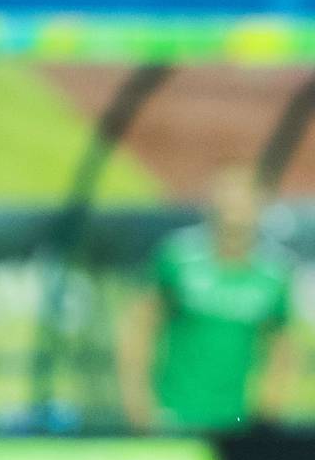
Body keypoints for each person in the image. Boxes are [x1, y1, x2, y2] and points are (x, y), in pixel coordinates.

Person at [117, 165, 298, 432]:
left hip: (238, 423)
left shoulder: (274, 274)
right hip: (173, 416)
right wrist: (137, 399)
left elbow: (282, 344)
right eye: (227, 193)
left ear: (261, 203)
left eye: (244, 196)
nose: (235, 205)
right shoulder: (178, 258)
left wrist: (269, 405)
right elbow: (140, 325)